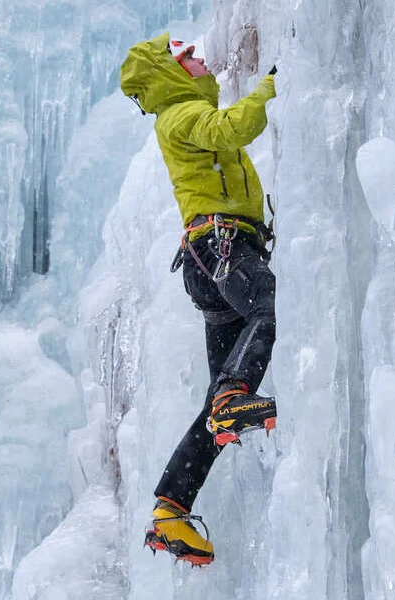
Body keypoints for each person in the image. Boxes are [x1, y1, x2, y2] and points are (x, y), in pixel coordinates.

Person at [117, 33, 279, 567]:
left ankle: (172, 508)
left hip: (208, 259)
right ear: (168, 73)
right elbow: (233, 127)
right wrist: (276, 84)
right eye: (189, 58)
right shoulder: (180, 115)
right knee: (264, 305)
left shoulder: (182, 112)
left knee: (215, 403)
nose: (203, 60)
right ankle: (235, 395)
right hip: (222, 245)